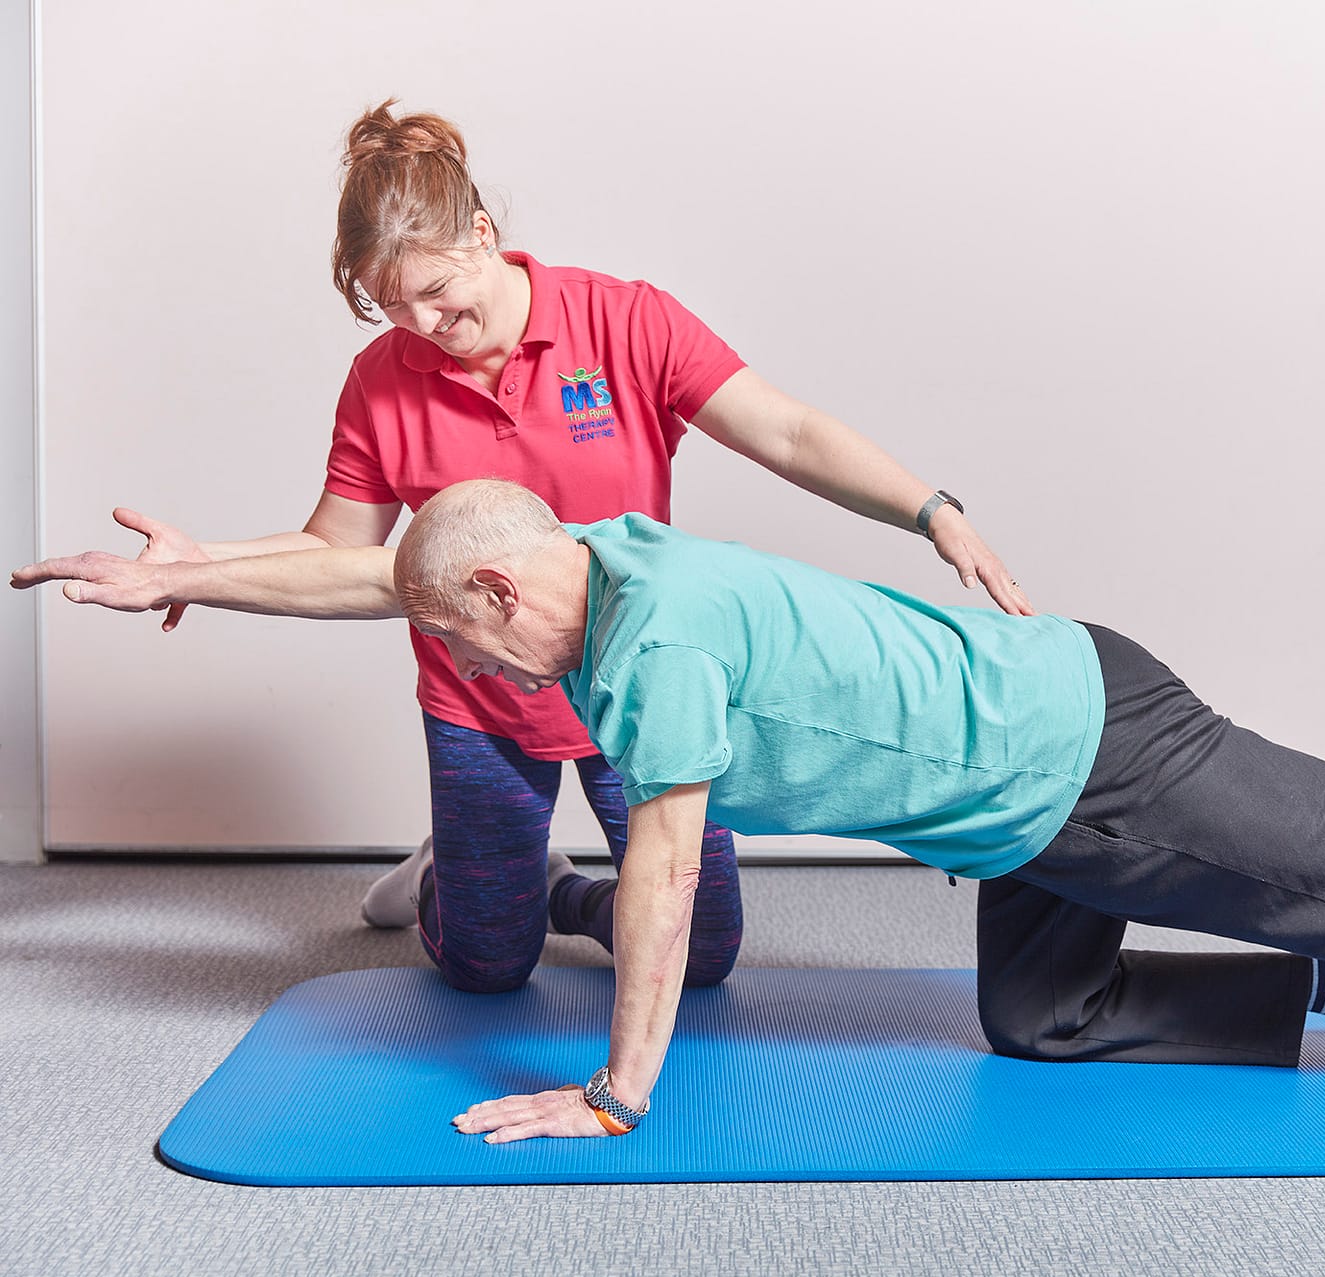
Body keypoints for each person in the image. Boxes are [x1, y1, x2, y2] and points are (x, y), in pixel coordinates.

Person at [361, 479, 1325, 1141]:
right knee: (1041, 1014)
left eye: (471, 638)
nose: (487, 667)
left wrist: (619, 1092)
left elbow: (665, 878)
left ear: (503, 587)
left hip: (1087, 750)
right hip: (1015, 807)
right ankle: (1323, 977)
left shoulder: (648, 650)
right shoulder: (619, 549)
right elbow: (407, 560)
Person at [19, 101, 1033, 998]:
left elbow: (788, 431)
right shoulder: (383, 377)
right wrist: (193, 567)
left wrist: (929, 509)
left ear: (484, 233)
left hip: (630, 692)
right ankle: (450, 885)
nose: (425, 325)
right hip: (481, 697)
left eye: (440, 293)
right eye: (391, 305)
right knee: (485, 967)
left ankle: (554, 887)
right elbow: (343, 550)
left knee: (706, 951)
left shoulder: (626, 321)